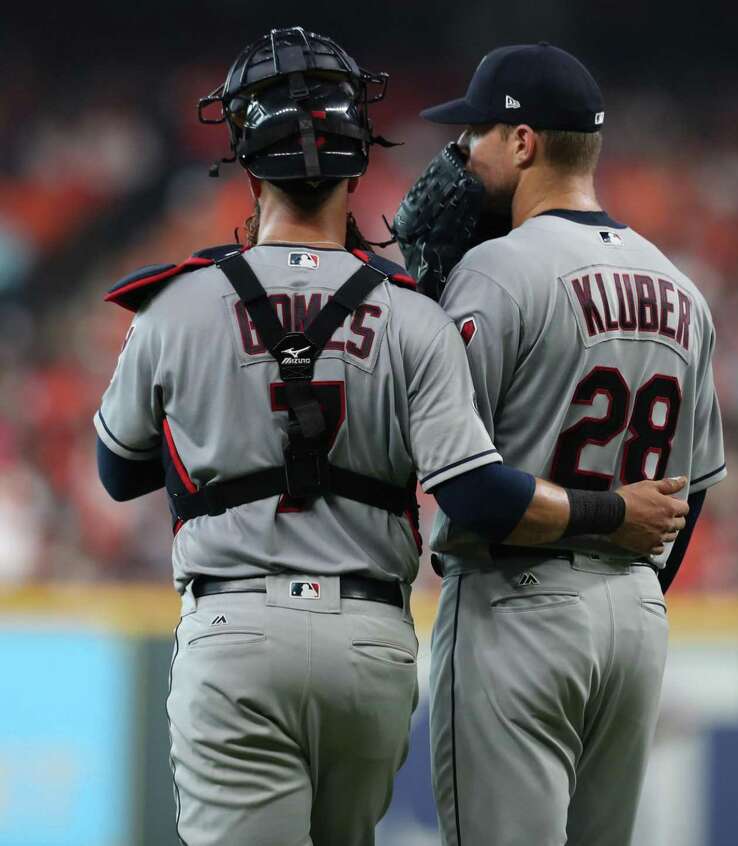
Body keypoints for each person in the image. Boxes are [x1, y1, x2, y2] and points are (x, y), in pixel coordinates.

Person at [93, 28, 686, 846]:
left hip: (234, 627)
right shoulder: (416, 314)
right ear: (358, 155)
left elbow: (117, 471)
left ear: (243, 153)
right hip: (370, 640)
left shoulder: (176, 305)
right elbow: (471, 482)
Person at [400, 42, 726, 846]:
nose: (462, 155)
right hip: (635, 619)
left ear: (523, 141)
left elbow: (462, 483)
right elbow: (691, 493)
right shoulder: (680, 287)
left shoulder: (498, 271)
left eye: (476, 134)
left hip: (518, 604)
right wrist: (624, 576)